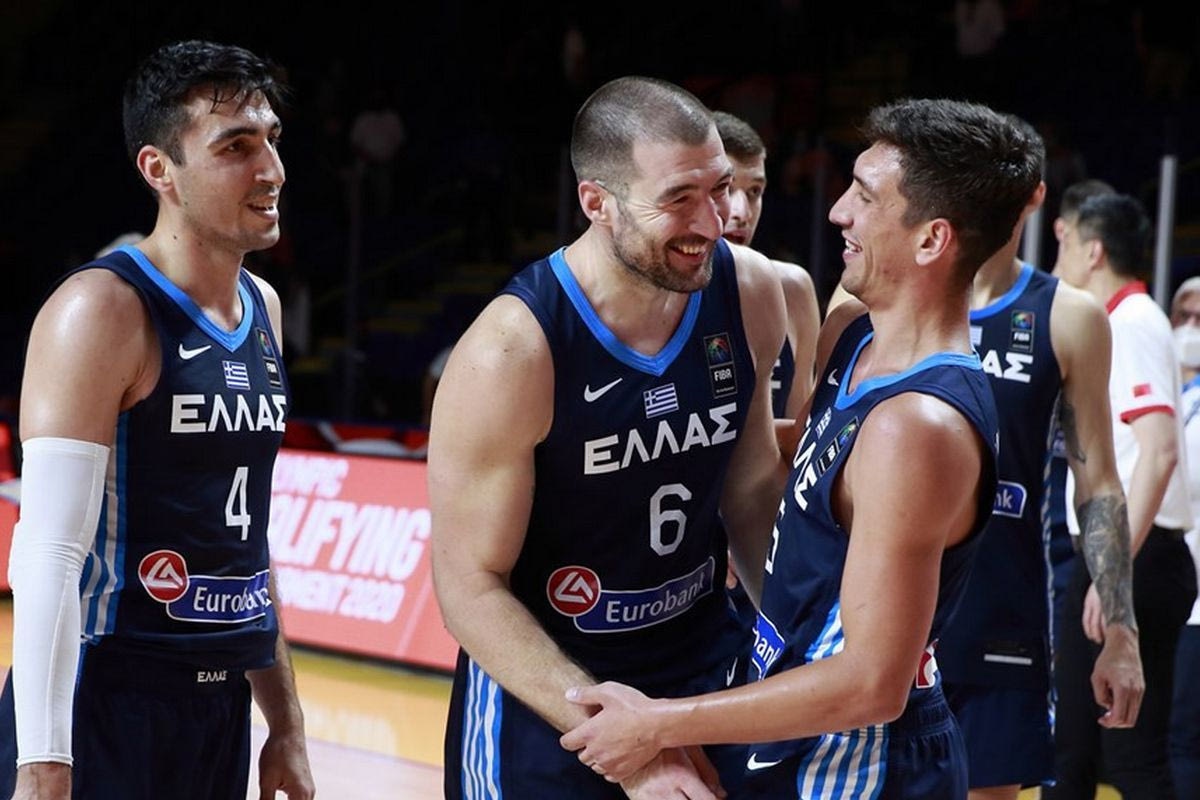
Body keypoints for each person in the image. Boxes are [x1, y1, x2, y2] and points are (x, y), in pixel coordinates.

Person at [561, 97, 1041, 798]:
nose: (839, 212)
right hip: (787, 718)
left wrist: (661, 723)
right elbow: (800, 491)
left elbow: (871, 684)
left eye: (865, 197)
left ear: (932, 240)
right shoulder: (852, 333)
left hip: (857, 761)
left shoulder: (917, 426)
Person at [428, 76, 787, 799]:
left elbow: (750, 492)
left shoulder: (748, 290)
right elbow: (468, 587)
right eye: (678, 199)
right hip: (551, 691)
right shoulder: (511, 350)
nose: (713, 221)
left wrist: (802, 646)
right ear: (597, 203)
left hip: (699, 667)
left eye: (719, 189)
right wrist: (630, 748)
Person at [0, 41, 314, 800]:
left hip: (217, 707)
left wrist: (286, 722)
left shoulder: (264, 309)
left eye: (271, 139)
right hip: (102, 699)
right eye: (236, 147)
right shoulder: (100, 310)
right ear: (159, 169)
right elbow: (48, 551)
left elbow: (245, 546)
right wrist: (43, 758)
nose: (271, 169)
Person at [936, 125, 1143, 800]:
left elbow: (1099, 482)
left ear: (1033, 198)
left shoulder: (1069, 316)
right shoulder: (875, 302)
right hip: (886, 617)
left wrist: (1121, 631)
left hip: (1002, 621)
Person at [1047, 193, 1196, 800]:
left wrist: (1114, 573)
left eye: (1063, 242)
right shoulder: (1120, 319)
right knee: (1075, 753)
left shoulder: (1131, 322)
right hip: (1123, 552)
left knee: (1128, 757)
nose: (1055, 258)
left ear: (1093, 251)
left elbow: (1159, 451)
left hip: (1132, 555)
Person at [713, 111, 819, 419]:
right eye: (725, 188)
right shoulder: (652, 295)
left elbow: (798, 433)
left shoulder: (792, 288)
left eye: (754, 192)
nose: (741, 212)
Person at [1169, 276, 1200, 796]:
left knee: (1183, 741)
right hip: (1178, 591)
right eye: (1185, 317)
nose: (1191, 330)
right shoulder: (1176, 396)